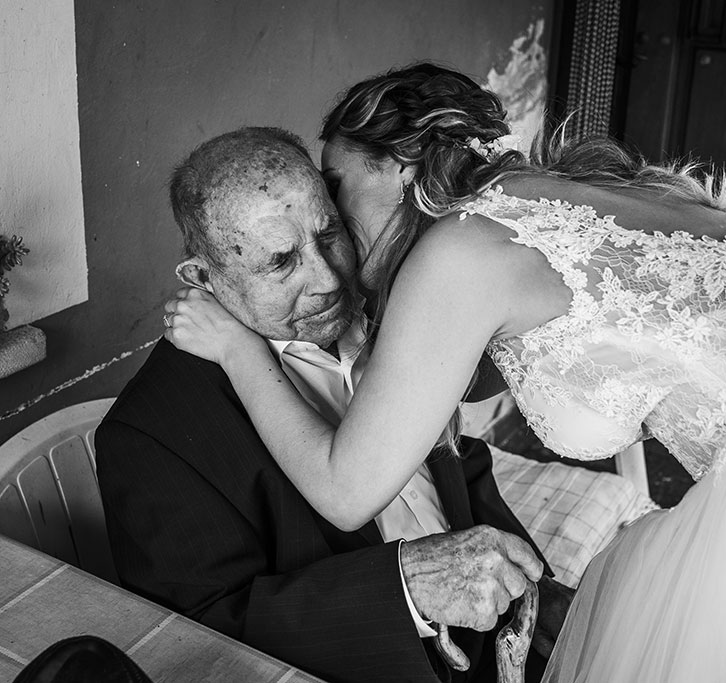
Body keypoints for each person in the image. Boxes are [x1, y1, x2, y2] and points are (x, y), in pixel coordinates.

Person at [164, 63, 726, 682]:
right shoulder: (557, 193)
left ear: (399, 164)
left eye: (336, 189)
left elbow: (347, 491)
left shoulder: (460, 251)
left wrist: (237, 346)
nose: (338, 235)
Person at [97, 126, 572, 683]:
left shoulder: (386, 308)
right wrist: (406, 590)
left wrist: (533, 590)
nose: (327, 279)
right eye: (280, 262)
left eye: (329, 236)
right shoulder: (149, 434)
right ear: (203, 278)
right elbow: (195, 635)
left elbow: (454, 461)